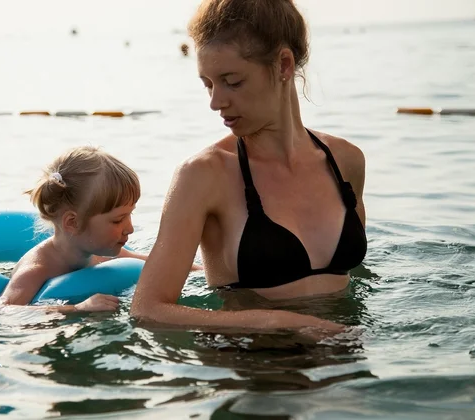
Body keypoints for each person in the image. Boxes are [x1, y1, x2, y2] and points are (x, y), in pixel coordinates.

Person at [131, 0, 367, 337]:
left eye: (232, 81)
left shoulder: (346, 161)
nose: (215, 102)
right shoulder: (204, 175)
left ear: (284, 64)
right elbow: (148, 310)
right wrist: (275, 322)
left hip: (345, 358)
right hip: (251, 369)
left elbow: (356, 281)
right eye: (208, 84)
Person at [0, 146, 145, 313]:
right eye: (118, 220)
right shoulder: (36, 270)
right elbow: (3, 311)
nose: (130, 228)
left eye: (130, 214)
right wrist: (76, 308)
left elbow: (149, 262)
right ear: (73, 223)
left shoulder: (101, 252)